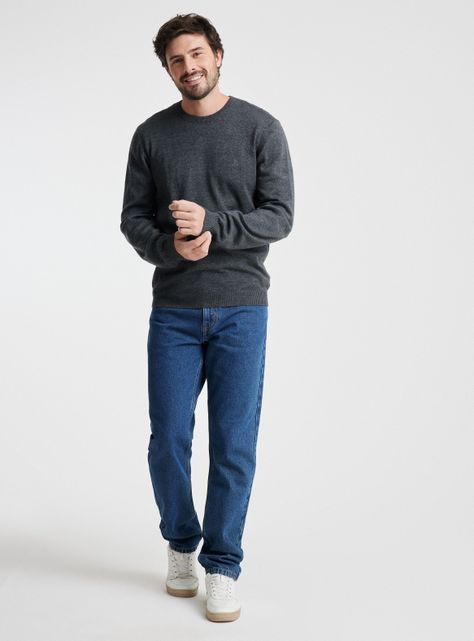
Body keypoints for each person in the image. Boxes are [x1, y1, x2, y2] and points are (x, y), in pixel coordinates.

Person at [120, 13, 295, 623]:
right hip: (173, 309)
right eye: (176, 59)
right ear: (167, 69)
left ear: (217, 55)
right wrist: (171, 246)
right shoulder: (151, 135)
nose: (188, 67)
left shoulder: (260, 128)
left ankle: (222, 567)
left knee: (233, 443)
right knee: (168, 438)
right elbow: (132, 220)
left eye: (196, 54)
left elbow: (280, 215)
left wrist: (215, 226)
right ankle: (180, 542)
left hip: (243, 307)